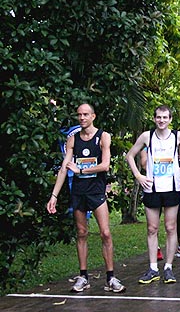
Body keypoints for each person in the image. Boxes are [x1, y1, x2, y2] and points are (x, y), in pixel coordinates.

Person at [47, 103, 125, 293]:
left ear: (93, 116)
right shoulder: (73, 139)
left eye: (85, 115)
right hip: (79, 193)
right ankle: (83, 276)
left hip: (96, 192)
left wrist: (81, 169)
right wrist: (54, 196)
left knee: (105, 233)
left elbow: (105, 165)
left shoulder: (103, 137)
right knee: (81, 233)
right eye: (79, 115)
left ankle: (111, 277)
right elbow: (65, 168)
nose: (82, 118)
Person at [126, 105, 180, 285]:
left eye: (165, 117)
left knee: (171, 228)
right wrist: (139, 176)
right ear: (154, 119)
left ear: (170, 119)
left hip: (171, 189)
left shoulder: (178, 136)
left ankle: (168, 267)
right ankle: (153, 267)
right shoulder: (147, 136)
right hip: (152, 188)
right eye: (158, 117)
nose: (161, 121)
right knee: (152, 229)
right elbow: (130, 155)